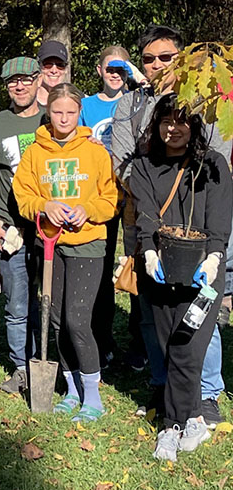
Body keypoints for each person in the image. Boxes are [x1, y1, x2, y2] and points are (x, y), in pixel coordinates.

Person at [111, 25, 231, 422]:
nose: (157, 64)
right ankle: (164, 384)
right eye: (148, 58)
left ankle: (206, 391)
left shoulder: (207, 96)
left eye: (166, 57)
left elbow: (218, 158)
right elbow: (121, 163)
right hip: (147, 217)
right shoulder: (128, 105)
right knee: (151, 309)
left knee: (201, 307)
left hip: (197, 219)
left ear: (181, 58)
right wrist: (151, 191)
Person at [126, 95, 231, 459]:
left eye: (182, 121)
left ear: (195, 125)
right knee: (170, 346)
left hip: (203, 274)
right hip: (160, 269)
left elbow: (219, 218)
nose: (174, 128)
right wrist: (151, 250)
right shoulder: (144, 165)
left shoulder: (213, 164)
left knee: (187, 348)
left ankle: (172, 426)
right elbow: (146, 214)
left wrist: (216, 257)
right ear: (156, 125)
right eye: (166, 121)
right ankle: (194, 420)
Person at [13, 83, 118, 422]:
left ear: (78, 113)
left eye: (70, 112)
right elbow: (23, 195)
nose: (64, 118)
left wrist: (88, 209)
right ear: (48, 112)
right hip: (49, 244)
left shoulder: (95, 150)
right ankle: (71, 390)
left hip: (87, 243)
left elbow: (110, 198)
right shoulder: (35, 151)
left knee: (77, 319)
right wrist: (45, 205)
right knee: (56, 319)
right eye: (57, 112)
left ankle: (93, 394)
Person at [0, 57, 44, 393]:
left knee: (52, 301)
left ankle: (53, 361)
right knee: (17, 303)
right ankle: (21, 367)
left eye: (24, 80)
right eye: (11, 82)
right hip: (11, 227)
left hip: (51, 226)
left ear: (38, 81)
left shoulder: (53, 118)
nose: (19, 87)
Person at [79, 46, 136, 370]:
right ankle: (101, 340)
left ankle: (139, 344)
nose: (115, 74)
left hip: (134, 198)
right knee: (99, 271)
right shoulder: (86, 105)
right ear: (99, 70)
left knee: (136, 268)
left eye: (121, 68)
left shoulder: (136, 102)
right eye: (109, 68)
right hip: (100, 198)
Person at [34, 40, 71, 107]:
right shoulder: (27, 101)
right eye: (47, 64)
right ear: (39, 67)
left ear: (66, 69)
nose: (54, 71)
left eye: (60, 65)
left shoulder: (78, 100)